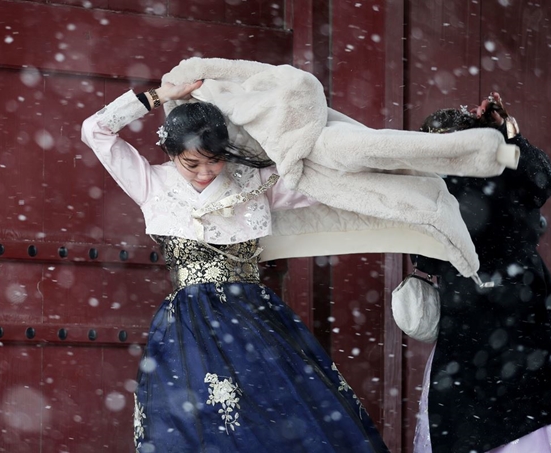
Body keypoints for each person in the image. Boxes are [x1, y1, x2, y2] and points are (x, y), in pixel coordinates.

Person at [81, 81, 390, 453]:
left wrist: (387, 164)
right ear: (170, 151)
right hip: (187, 325)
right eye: (191, 163)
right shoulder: (151, 183)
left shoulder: (255, 182)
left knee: (279, 414)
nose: (204, 172)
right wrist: (159, 96)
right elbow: (95, 129)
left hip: (254, 317)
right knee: (189, 422)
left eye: (214, 159)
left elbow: (323, 182)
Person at [411, 92, 551, 453]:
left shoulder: (430, 187)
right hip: (526, 311)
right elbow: (543, 178)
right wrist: (508, 133)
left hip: (474, 318)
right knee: (540, 400)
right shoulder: (501, 165)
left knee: (480, 418)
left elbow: (424, 260)